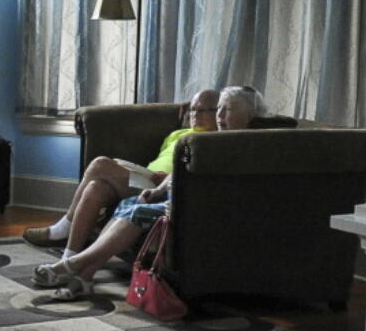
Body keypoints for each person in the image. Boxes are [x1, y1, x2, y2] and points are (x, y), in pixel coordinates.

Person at [32, 85, 266, 300]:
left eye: (227, 110)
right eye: (220, 110)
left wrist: (161, 191)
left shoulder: (241, 144)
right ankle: (84, 277)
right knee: (122, 200)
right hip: (169, 194)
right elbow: (179, 174)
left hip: (191, 204)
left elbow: (211, 186)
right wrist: (157, 192)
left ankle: (72, 262)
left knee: (131, 204)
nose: (220, 117)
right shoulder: (207, 139)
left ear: (249, 116)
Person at [23, 88, 220, 262]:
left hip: (161, 188)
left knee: (100, 164)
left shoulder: (211, 140)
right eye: (193, 109)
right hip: (148, 177)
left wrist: (166, 179)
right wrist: (149, 174)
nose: (196, 114)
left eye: (203, 110)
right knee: (96, 188)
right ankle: (70, 257)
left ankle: (63, 227)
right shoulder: (177, 134)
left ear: (218, 111)